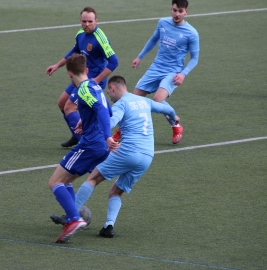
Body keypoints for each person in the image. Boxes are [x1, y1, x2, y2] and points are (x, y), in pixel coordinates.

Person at [52, 75, 179, 238]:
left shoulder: (122, 104)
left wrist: (86, 122)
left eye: (108, 93)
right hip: (147, 156)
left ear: (112, 88)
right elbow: (167, 110)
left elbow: (110, 123)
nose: (109, 98)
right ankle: (108, 226)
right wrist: (174, 121)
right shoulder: (144, 101)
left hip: (127, 151)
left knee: (93, 178)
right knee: (116, 191)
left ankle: (71, 216)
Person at [48, 54, 119, 243]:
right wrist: (83, 121)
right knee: (67, 180)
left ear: (69, 74)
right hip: (100, 147)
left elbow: (102, 111)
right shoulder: (96, 86)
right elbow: (108, 110)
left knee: (55, 182)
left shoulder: (83, 90)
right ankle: (71, 216)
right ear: (86, 70)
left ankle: (73, 219)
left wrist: (107, 136)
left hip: (91, 144)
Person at [113, 0, 199, 144]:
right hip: (155, 68)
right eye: (175, 10)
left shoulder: (191, 33)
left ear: (186, 12)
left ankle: (176, 125)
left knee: (158, 99)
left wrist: (183, 73)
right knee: (132, 100)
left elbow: (195, 58)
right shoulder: (162, 23)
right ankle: (121, 131)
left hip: (172, 72)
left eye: (180, 11)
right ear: (171, 9)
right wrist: (139, 57)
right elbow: (153, 40)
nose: (177, 14)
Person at [46, 6, 118, 148]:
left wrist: (96, 80)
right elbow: (74, 51)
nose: (87, 24)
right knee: (62, 103)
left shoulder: (101, 39)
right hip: (80, 76)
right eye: (84, 21)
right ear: (80, 21)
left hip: (91, 81)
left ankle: (88, 141)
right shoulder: (80, 34)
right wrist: (57, 65)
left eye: (90, 21)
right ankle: (76, 135)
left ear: (96, 21)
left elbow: (114, 61)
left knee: (69, 108)